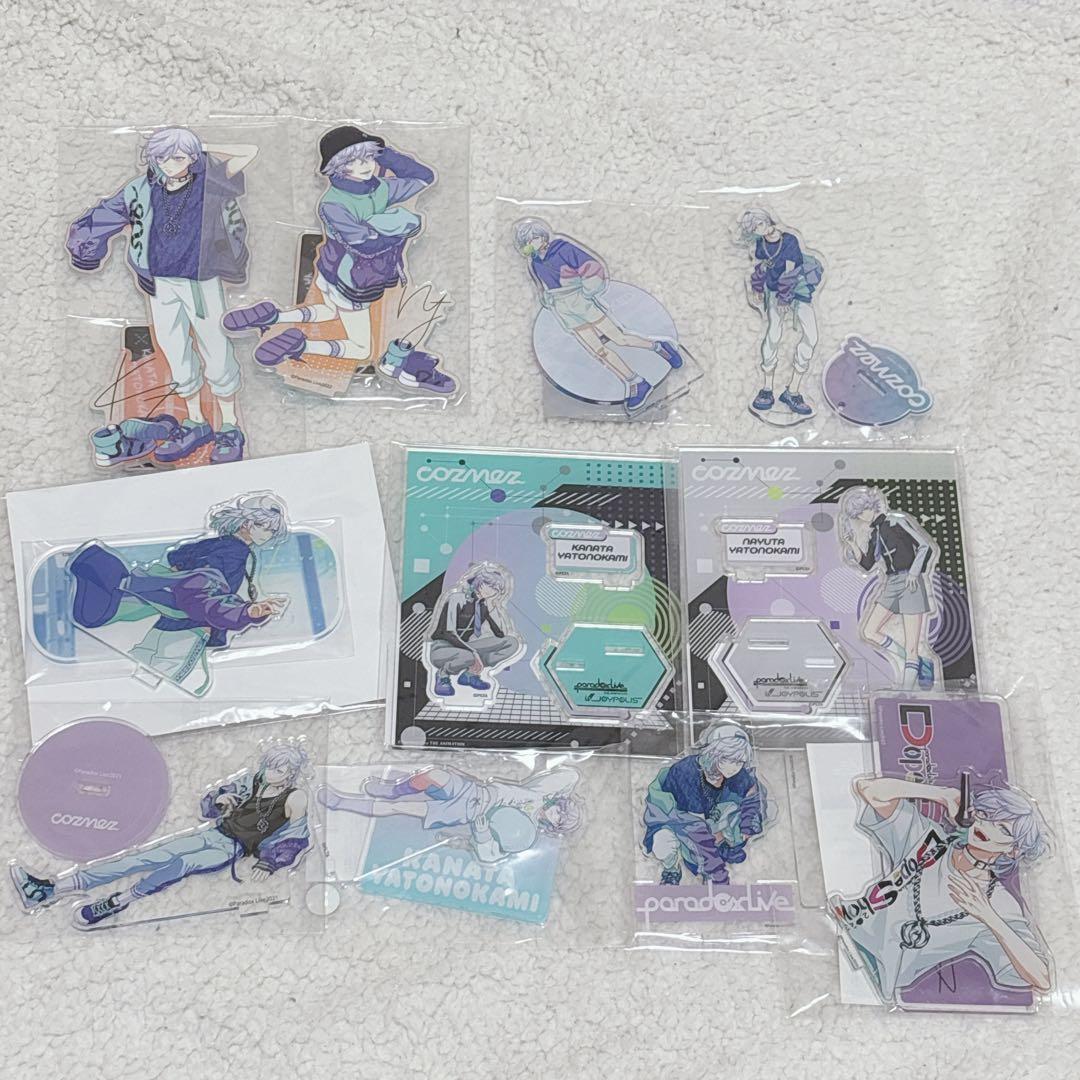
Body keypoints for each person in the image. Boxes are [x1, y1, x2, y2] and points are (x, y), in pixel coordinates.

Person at [67, 127, 257, 464]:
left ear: (193, 158)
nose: (169, 164)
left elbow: (248, 152)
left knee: (216, 350)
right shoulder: (141, 189)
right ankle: (196, 423)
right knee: (175, 352)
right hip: (159, 283)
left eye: (178, 157)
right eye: (162, 157)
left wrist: (202, 144)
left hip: (201, 282)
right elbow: (104, 215)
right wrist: (85, 247)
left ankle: (230, 426)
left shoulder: (209, 183)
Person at [224, 126, 454, 394]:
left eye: (367, 157)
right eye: (352, 161)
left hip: (332, 273)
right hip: (354, 281)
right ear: (337, 167)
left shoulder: (380, 188)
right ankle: (302, 346)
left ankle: (275, 315)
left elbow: (424, 177)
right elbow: (365, 244)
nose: (365, 165)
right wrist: (402, 223)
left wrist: (384, 153)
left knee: (328, 311)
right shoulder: (333, 203)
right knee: (361, 349)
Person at [11, 744, 311, 930]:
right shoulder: (255, 780)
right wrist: (221, 800)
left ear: (291, 773)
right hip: (215, 832)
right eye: (270, 766)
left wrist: (270, 862)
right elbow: (219, 798)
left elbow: (296, 836)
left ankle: (120, 900)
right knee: (142, 858)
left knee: (180, 866)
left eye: (279, 768)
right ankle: (51, 889)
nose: (271, 772)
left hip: (232, 849)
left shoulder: (295, 797)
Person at [833, 776, 1052, 1003]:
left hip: (866, 979)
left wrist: (989, 917)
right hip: (840, 927)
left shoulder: (1000, 904)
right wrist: (942, 794)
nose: (985, 826)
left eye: (1003, 829)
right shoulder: (929, 838)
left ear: (1014, 850)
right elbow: (869, 790)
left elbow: (1042, 979)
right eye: (984, 814)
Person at [67, 493, 290, 695]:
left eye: (273, 531)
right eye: (265, 527)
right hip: (192, 625)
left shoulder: (217, 545)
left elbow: (181, 566)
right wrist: (246, 613)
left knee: (138, 672)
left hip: (172, 619)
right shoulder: (233, 554)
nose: (268, 535)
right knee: (158, 684)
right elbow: (205, 593)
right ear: (247, 523)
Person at [514, 218, 685, 412]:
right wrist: (548, 298)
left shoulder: (563, 249)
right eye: (525, 243)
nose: (528, 246)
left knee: (619, 338)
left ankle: (660, 347)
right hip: (564, 309)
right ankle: (635, 382)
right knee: (598, 351)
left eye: (531, 240)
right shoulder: (535, 263)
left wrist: (589, 289)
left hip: (583, 301)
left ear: (541, 237)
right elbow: (544, 286)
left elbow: (592, 268)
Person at [319, 765, 582, 863]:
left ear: (554, 826)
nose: (555, 813)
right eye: (560, 809)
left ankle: (340, 802)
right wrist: (565, 798)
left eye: (559, 819)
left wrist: (482, 834)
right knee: (433, 774)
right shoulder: (539, 792)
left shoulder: (527, 834)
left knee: (399, 809)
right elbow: (571, 774)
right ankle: (392, 789)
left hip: (464, 811)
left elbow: (491, 855)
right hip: (473, 789)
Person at [838, 486, 939, 690]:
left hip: (910, 581)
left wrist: (914, 572)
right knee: (869, 631)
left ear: (870, 507)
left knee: (912, 645)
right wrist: (852, 544)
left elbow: (925, 546)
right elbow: (867, 565)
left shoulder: (896, 521)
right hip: (891, 583)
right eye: (857, 515)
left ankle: (906, 692)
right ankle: (919, 662)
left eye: (861, 512)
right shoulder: (874, 535)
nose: (861, 517)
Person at [643, 724, 767, 885]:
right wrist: (716, 872)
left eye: (739, 762)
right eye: (728, 759)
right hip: (675, 821)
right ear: (714, 753)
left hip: (709, 821)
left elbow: (752, 793)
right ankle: (671, 871)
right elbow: (695, 828)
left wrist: (747, 824)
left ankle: (720, 850)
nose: (734, 767)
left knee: (736, 818)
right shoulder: (686, 773)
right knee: (663, 844)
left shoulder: (736, 773)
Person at [739, 208, 823, 419]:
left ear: (767, 220)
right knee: (773, 334)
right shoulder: (760, 245)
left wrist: (786, 297)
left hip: (797, 290)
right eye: (754, 228)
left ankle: (793, 390)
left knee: (811, 335)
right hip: (775, 292)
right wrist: (757, 288)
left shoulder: (789, 240)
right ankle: (767, 388)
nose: (759, 229)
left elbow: (791, 270)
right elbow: (760, 268)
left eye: (760, 224)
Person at [426, 564, 522, 699]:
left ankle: (470, 674)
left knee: (512, 643)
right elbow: (449, 633)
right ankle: (443, 675)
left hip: (465, 647)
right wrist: (474, 652)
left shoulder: (482, 606)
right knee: (468, 656)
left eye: (496, 589)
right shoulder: (457, 599)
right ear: (480, 583)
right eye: (490, 586)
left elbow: (499, 634)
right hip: (442, 648)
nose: (492, 591)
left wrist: (496, 609)